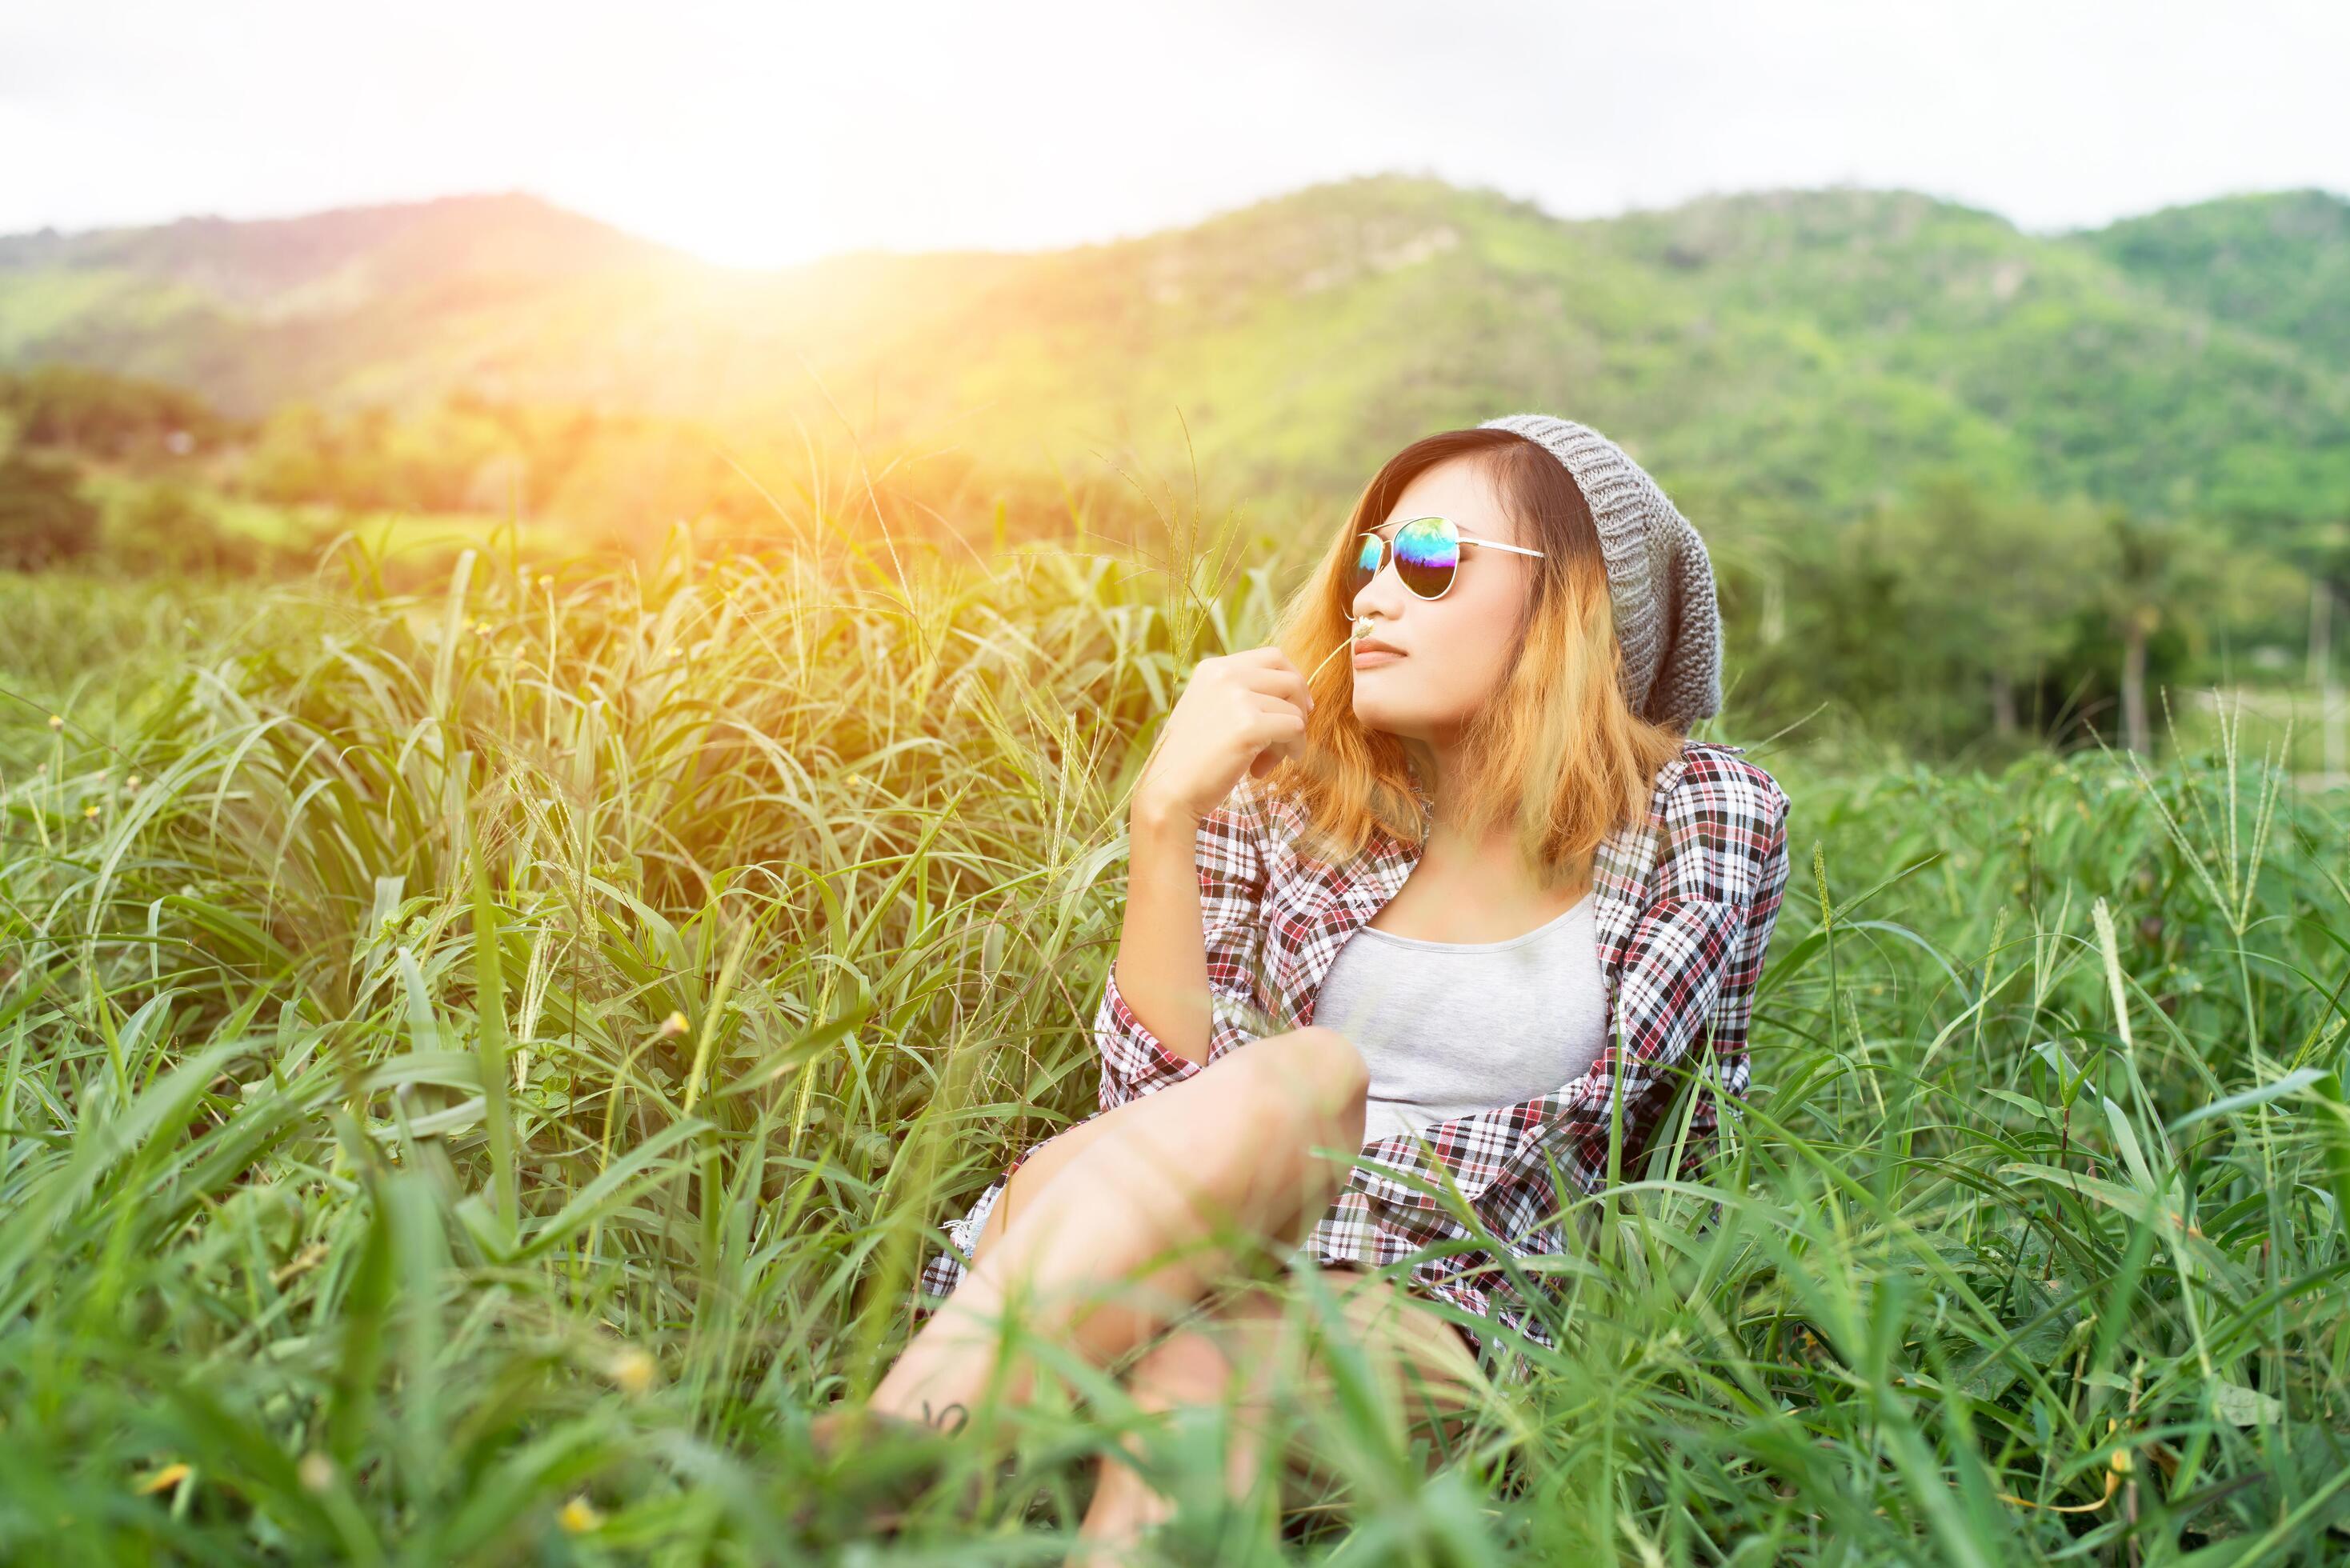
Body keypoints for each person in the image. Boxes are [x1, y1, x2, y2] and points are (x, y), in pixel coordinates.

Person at [819, 413, 1793, 1556]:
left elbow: (1685, 1143)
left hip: (1421, 1295)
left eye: (1429, 560)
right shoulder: (1286, 800)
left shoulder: (1703, 820)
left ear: (1573, 601)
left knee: (1216, 1369)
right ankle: (907, 1443)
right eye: (1369, 560)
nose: (1375, 595)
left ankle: (922, 1479)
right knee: (1312, 1074)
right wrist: (1163, 816)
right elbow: (1148, 1107)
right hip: (1126, 1239)